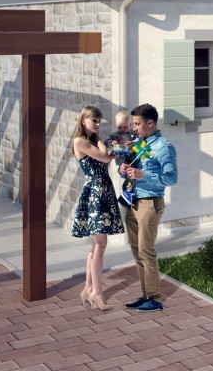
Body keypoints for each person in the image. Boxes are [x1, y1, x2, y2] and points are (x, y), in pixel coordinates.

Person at [121, 102, 178, 312]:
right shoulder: (140, 144)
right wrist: (125, 169)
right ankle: (145, 295)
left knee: (147, 252)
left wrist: (145, 175)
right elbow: (133, 170)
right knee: (137, 253)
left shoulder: (164, 147)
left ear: (150, 122)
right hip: (133, 202)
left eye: (137, 124)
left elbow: (172, 178)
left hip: (150, 204)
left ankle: (154, 298)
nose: (134, 128)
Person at [69, 105, 124, 310]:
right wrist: (106, 145)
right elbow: (104, 156)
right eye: (95, 121)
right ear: (84, 121)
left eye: (100, 121)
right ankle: (97, 294)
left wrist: (104, 143)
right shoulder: (80, 141)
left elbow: (108, 154)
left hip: (104, 190)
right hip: (94, 193)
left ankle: (88, 289)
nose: (98, 124)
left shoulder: (91, 140)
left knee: (96, 245)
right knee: (101, 243)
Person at [107, 110, 136, 208]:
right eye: (120, 127)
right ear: (116, 125)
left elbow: (138, 141)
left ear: (130, 124)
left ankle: (128, 192)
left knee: (132, 175)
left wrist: (133, 143)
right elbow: (106, 142)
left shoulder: (133, 134)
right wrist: (112, 143)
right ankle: (128, 192)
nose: (123, 129)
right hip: (122, 160)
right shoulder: (115, 135)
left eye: (125, 127)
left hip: (133, 158)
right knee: (128, 174)